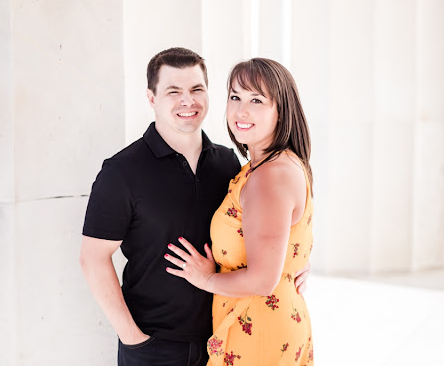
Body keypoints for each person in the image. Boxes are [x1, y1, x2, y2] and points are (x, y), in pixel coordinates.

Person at [79, 48, 309, 366]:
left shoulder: (228, 163)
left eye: (196, 89)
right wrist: (133, 339)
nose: (188, 101)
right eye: (174, 91)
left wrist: (293, 262)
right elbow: (93, 259)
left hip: (222, 339)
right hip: (154, 344)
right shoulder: (122, 171)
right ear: (151, 97)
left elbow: (273, 222)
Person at [164, 58, 314, 365]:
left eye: (256, 100)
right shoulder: (270, 167)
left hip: (259, 330)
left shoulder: (269, 177)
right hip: (266, 322)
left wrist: (204, 279)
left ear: (281, 111)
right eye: (235, 97)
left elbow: (262, 281)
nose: (241, 111)